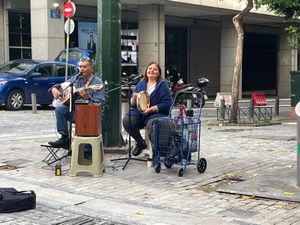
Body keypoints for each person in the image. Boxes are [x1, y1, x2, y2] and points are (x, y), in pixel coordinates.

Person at [48, 57, 105, 149]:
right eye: (80, 66)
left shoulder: (97, 82)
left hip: (91, 115)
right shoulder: (76, 79)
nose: (81, 69)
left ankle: (87, 149)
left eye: (84, 67)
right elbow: (64, 86)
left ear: (91, 68)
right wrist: (54, 88)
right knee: (60, 108)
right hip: (76, 112)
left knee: (83, 116)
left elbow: (99, 105)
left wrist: (88, 98)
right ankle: (64, 137)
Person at [122, 61, 172, 156]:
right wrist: (134, 99)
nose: (152, 70)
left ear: (159, 73)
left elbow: (167, 103)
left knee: (153, 124)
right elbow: (133, 104)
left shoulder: (162, 85)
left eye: (155, 69)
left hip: (155, 113)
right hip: (140, 113)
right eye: (150, 68)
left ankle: (158, 151)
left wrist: (152, 109)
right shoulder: (141, 84)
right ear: (146, 71)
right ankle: (140, 143)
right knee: (127, 120)